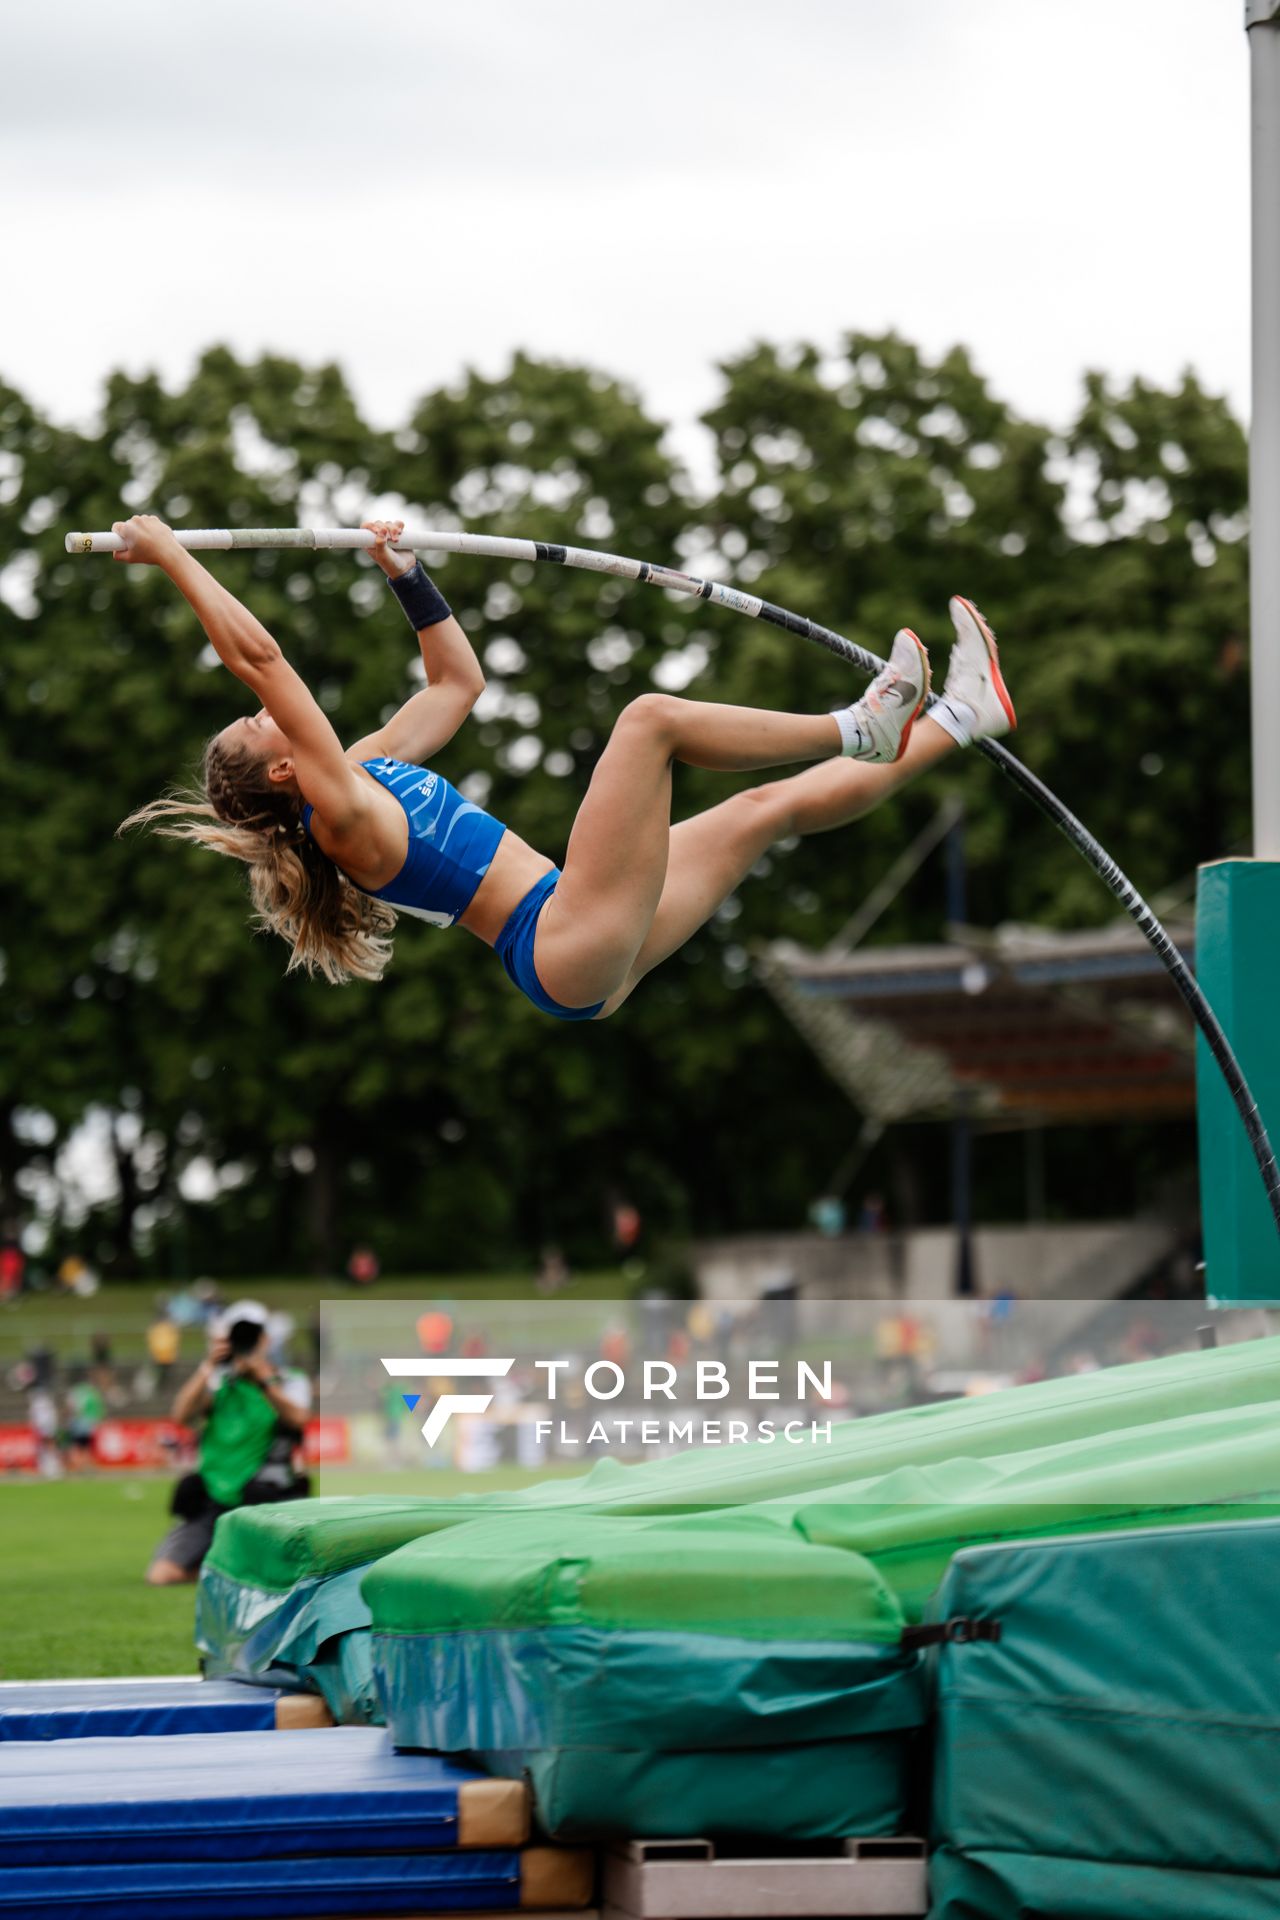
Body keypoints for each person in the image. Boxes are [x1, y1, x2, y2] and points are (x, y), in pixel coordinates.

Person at [116, 514, 1015, 1017]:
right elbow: (261, 659)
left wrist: (404, 574)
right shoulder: (340, 817)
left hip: (575, 935)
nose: (263, 711)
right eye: (255, 725)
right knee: (649, 723)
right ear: (281, 774)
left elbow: (457, 684)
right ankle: (858, 726)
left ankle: (961, 716)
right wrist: (172, 557)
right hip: (559, 937)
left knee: (762, 811)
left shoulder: (365, 769)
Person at [147, 1301, 310, 1586]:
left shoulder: (287, 1381)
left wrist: (263, 1381)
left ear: (266, 1339)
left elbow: (298, 1418)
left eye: (252, 1336)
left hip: (264, 1500)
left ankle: (235, 1567)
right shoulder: (218, 1382)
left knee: (289, 1571)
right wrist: (208, 1366)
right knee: (162, 1574)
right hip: (214, 1499)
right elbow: (181, 1414)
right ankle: (228, 1571)